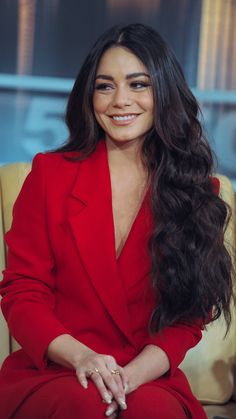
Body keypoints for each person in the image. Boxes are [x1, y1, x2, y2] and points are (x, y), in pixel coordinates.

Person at [0, 23, 233, 419]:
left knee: (152, 413)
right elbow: (24, 292)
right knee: (84, 405)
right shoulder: (49, 175)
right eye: (105, 86)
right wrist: (84, 358)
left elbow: (189, 317)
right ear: (89, 96)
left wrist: (129, 378)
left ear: (164, 92)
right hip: (59, 369)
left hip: (146, 375)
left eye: (138, 84)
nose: (120, 100)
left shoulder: (197, 190)